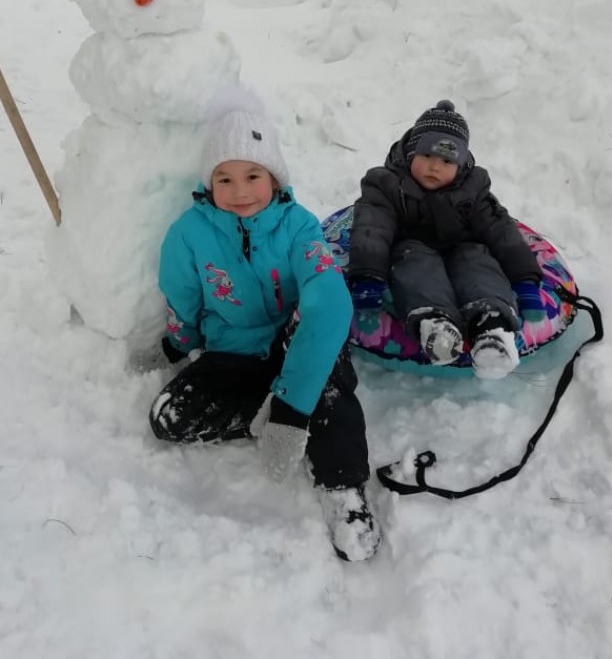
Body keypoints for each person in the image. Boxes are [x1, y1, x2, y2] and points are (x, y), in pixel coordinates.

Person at [146, 98, 380, 562]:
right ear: (208, 183)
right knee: (167, 418)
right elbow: (183, 296)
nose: (240, 191)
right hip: (232, 351)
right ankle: (268, 408)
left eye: (253, 176)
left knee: (326, 385)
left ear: (274, 178)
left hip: (297, 345)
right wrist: (179, 342)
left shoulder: (298, 227)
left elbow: (330, 301)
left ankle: (343, 490)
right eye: (224, 179)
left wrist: (293, 410)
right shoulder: (188, 233)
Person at [347, 100, 542, 379]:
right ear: (410, 153)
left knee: (477, 260)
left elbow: (501, 230)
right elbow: (371, 226)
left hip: (461, 246)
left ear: (461, 164)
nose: (434, 167)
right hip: (411, 246)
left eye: (447, 160)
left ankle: (492, 329)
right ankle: (435, 324)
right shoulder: (386, 185)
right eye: (427, 156)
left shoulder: (473, 189)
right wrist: (367, 274)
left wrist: (525, 278)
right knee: (417, 267)